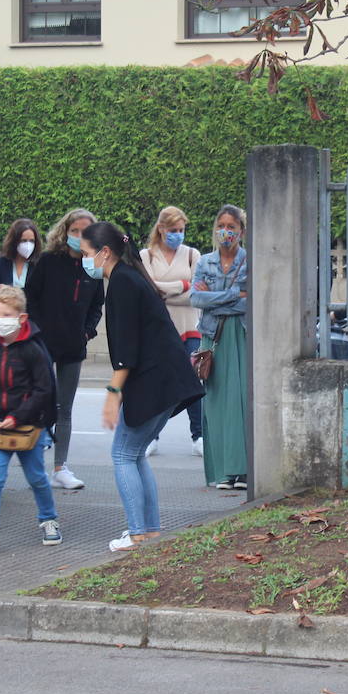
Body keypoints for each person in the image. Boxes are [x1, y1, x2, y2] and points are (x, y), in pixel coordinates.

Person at [82, 221, 203, 551]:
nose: (85, 260)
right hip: (166, 379)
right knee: (134, 455)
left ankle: (137, 533)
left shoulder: (122, 282)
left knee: (122, 454)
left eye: (86, 254)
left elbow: (127, 350)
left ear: (105, 253)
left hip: (153, 381)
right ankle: (147, 531)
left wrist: (112, 394)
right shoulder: (132, 277)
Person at [0, 286, 60, 558]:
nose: (0, 319)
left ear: (21, 317)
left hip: (29, 427)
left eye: (6, 314)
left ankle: (48, 519)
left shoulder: (34, 350)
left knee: (36, 478)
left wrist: (16, 417)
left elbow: (44, 390)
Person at [24, 208, 105, 490]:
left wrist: (87, 331)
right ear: (65, 232)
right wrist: (34, 331)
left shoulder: (92, 267)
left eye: (86, 232)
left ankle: (61, 468)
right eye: (75, 231)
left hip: (73, 344)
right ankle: (33, 463)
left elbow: (97, 305)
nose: (80, 237)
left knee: (64, 409)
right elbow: (29, 298)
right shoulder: (47, 262)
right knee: (38, 403)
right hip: (43, 343)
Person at [191, 205, 251, 490]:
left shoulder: (250, 260)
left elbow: (248, 302)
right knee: (214, 403)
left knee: (239, 400)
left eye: (232, 226)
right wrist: (232, 295)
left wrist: (214, 296)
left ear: (242, 231)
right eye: (221, 225)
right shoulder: (204, 262)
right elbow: (196, 299)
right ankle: (222, 473)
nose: (225, 231)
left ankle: (241, 470)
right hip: (211, 338)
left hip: (239, 335)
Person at [141, 206, 204, 458]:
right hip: (158, 329)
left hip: (190, 328)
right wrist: (182, 285)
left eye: (182, 230)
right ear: (161, 229)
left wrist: (165, 290)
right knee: (157, 383)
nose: (178, 234)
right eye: (173, 230)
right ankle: (150, 436)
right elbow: (147, 292)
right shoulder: (146, 256)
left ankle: (199, 435)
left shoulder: (192, 255)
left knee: (192, 382)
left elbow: (197, 294)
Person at [0, 218, 41, 299]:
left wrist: (8, 291)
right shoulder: (0, 263)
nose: (28, 245)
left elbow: (40, 294)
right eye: (24, 240)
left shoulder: (39, 264)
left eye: (32, 241)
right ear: (14, 241)